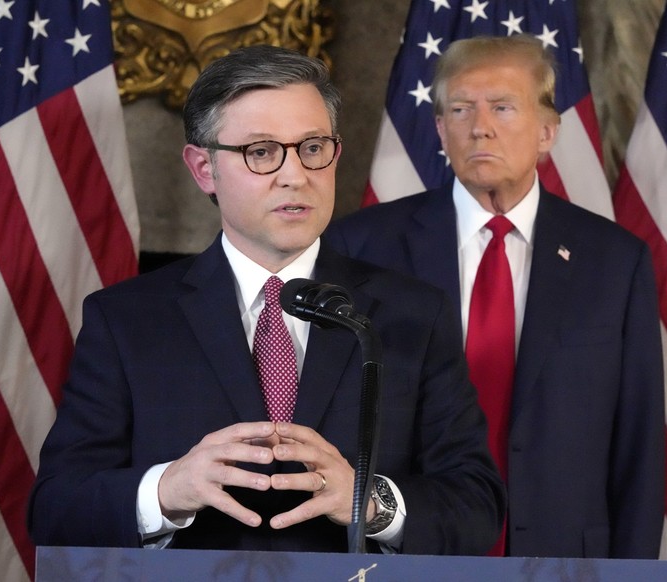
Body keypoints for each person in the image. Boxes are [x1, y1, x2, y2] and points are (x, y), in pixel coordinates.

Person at [27, 45, 505, 555]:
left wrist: (371, 503)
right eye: (261, 152)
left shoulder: (411, 314)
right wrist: (167, 490)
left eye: (313, 147)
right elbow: (56, 510)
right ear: (203, 167)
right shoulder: (126, 320)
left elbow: (476, 510)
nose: (295, 175)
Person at [326, 35, 665, 559]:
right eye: (460, 109)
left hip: (565, 559)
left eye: (503, 108)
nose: (479, 126)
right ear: (439, 129)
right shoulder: (365, 247)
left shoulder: (615, 261)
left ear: (548, 131)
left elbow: (638, 445)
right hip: (409, 551)